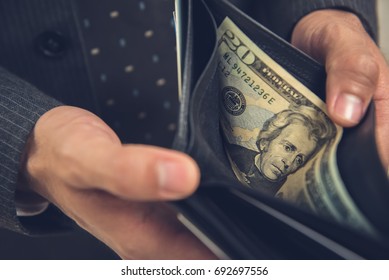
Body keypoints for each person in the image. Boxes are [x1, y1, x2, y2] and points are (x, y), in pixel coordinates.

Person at [0, 0, 387, 259]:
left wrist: (324, 12)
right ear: (268, 138)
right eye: (289, 149)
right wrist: (21, 141)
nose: (292, 161)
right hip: (47, 236)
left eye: (298, 157)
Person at [227, 107, 334, 195]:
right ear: (266, 142)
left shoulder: (283, 195)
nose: (288, 162)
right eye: (288, 148)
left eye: (299, 160)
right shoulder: (234, 152)